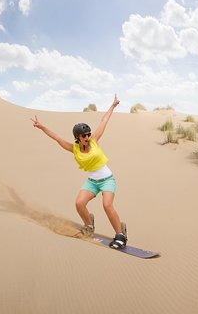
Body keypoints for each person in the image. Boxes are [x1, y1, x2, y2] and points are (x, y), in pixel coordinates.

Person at [31, 94, 127, 249]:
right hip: (92, 182)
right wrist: (42, 127)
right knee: (79, 203)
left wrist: (113, 105)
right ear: (78, 137)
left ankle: (120, 235)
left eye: (88, 133)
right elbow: (57, 138)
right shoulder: (74, 148)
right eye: (84, 135)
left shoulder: (94, 140)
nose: (87, 137)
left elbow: (104, 121)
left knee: (107, 206)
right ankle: (89, 226)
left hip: (107, 179)